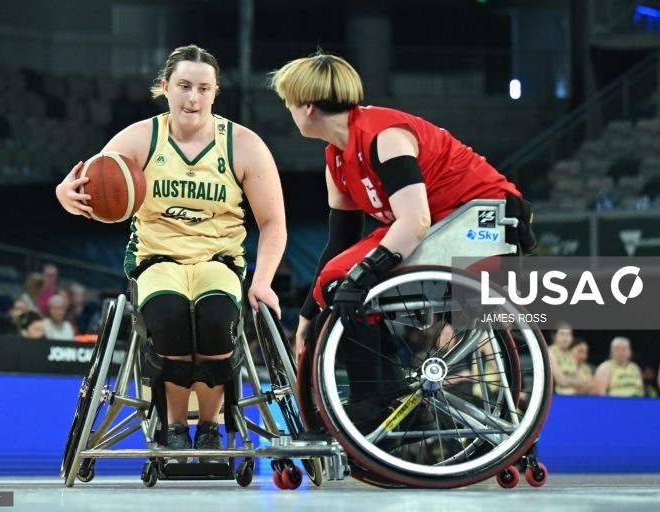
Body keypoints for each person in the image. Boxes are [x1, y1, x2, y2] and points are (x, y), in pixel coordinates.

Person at [55, 45, 287, 462]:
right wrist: (63, 194)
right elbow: (90, 183)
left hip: (218, 261)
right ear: (165, 88)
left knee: (217, 323)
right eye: (183, 86)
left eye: (202, 88)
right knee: (170, 320)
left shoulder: (244, 145)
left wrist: (264, 281)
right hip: (156, 260)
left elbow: (273, 223)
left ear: (216, 92)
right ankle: (176, 426)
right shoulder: (142, 137)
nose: (192, 98)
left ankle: (212, 427)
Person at [268, 52, 536, 400]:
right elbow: (341, 245)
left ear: (306, 108)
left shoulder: (384, 137)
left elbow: (416, 220)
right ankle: (384, 395)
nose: (287, 112)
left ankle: (374, 403)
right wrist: (308, 312)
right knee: (334, 296)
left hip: (479, 217)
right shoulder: (335, 157)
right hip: (435, 223)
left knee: (349, 286)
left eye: (287, 104)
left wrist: (361, 276)